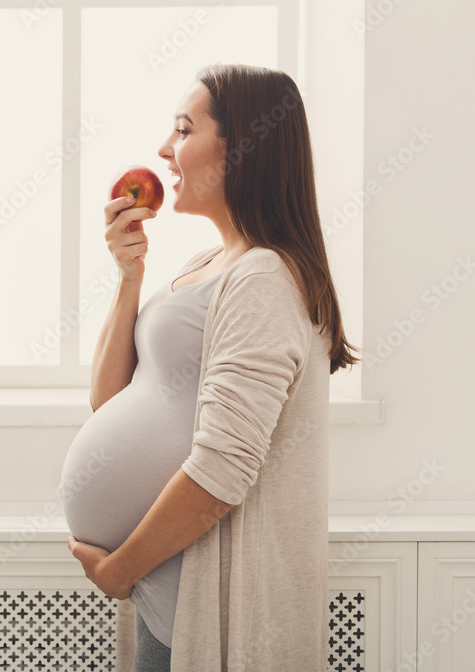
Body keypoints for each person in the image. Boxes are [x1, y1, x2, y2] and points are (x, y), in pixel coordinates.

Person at [60, 63, 360, 671]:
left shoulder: (264, 279)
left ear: (242, 146)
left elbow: (223, 469)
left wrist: (121, 570)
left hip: (193, 601)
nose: (165, 150)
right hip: (165, 593)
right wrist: (130, 278)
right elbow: (111, 399)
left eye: (184, 129)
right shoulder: (210, 263)